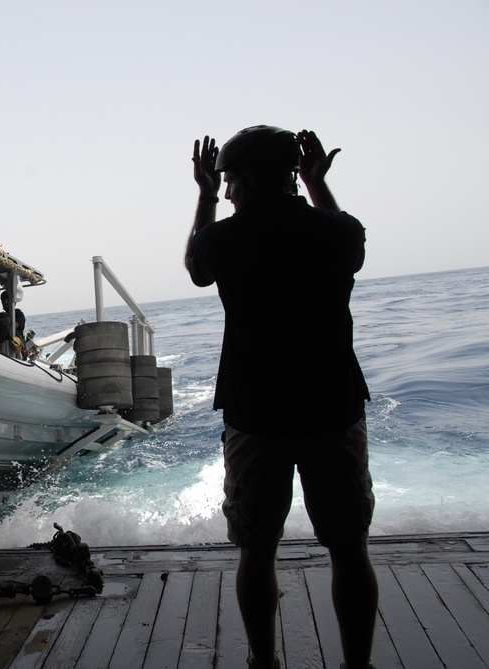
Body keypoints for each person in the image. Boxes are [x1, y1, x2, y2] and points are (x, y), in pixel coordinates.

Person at [185, 126, 377, 669]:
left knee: (257, 548)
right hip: (332, 409)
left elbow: (198, 267)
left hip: (256, 415)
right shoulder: (333, 232)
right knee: (348, 547)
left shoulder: (226, 240)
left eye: (226, 182)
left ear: (244, 179)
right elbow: (351, 245)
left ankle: (264, 663)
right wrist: (316, 186)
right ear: (292, 175)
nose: (224, 193)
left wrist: (199, 197)